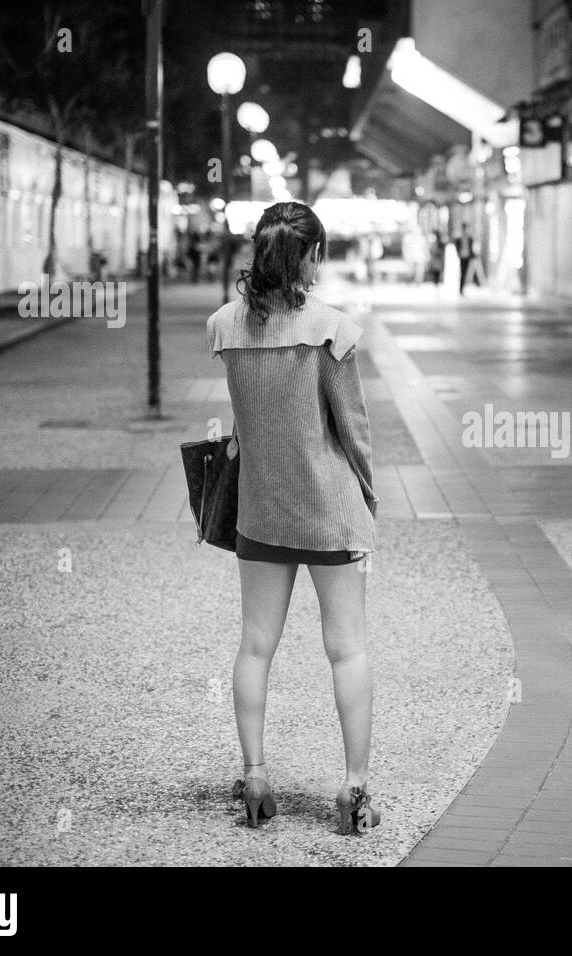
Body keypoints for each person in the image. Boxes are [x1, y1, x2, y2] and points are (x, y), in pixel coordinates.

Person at [206, 201, 382, 836]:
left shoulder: (226, 326)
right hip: (327, 511)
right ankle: (354, 788)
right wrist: (369, 496)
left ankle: (254, 776)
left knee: (256, 645)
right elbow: (353, 430)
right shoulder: (330, 330)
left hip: (261, 509)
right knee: (347, 648)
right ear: (311, 256)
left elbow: (248, 418)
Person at [454, 224, 485, 295]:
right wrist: (458, 254)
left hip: (468, 257)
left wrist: (473, 256)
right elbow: (457, 247)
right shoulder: (459, 238)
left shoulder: (470, 238)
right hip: (462, 257)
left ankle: (465, 288)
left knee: (468, 273)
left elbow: (471, 248)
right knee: (463, 273)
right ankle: (461, 289)